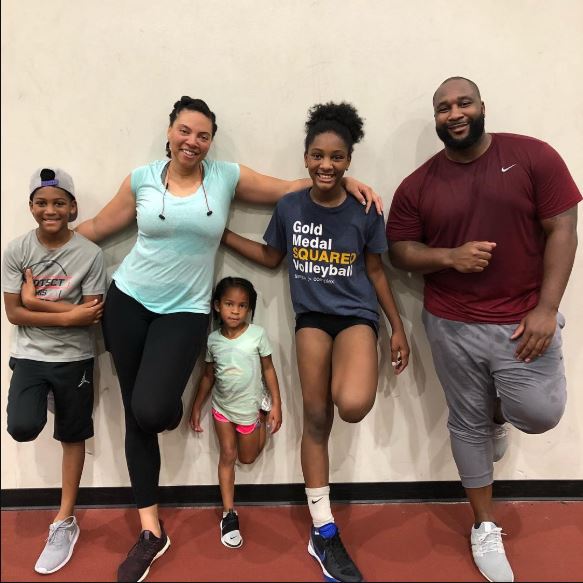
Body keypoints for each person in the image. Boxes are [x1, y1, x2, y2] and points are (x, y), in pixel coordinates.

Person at [75, 96, 380, 583]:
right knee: (136, 417)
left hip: (185, 312)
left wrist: (346, 180)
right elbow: (97, 228)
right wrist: (50, 241)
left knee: (153, 411)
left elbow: (288, 187)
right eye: (184, 131)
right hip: (127, 302)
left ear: (210, 141)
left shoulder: (225, 177)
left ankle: (159, 416)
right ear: (170, 131)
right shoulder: (142, 179)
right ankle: (151, 532)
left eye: (203, 135)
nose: (192, 141)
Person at [387, 77, 581, 583]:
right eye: (443, 107)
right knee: (466, 424)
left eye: (463, 103)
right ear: (436, 119)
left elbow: (564, 227)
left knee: (540, 414)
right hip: (450, 323)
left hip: (523, 322)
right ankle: (484, 524)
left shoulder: (534, 157)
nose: (454, 113)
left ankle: (499, 412)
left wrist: (547, 307)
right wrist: (449, 257)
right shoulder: (418, 184)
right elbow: (401, 252)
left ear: (481, 107)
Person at [222, 101, 410, 583]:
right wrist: (221, 235)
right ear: (305, 158)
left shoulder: (364, 208)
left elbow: (375, 270)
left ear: (349, 160)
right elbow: (270, 256)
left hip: (355, 317)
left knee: (351, 404)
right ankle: (323, 530)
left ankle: (323, 521)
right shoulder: (290, 206)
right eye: (317, 155)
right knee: (317, 418)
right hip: (310, 320)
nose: (326, 164)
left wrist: (397, 326)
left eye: (337, 157)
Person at [2, 168, 106, 575]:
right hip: (30, 354)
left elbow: (92, 315)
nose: (51, 210)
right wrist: (67, 314)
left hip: (74, 360)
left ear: (72, 207)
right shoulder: (16, 250)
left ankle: (65, 520)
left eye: (59, 202)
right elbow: (14, 314)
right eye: (42, 202)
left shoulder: (90, 254)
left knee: (72, 434)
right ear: (31, 207)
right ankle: (44, 397)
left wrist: (36, 302)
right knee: (22, 427)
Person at [189, 276, 282, 549]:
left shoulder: (258, 335)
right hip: (222, 409)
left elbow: (268, 369)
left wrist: (275, 404)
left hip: (250, 412)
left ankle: (261, 421)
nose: (235, 310)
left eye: (242, 306)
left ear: (249, 310)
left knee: (248, 458)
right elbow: (208, 376)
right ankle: (229, 513)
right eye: (229, 304)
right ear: (217, 306)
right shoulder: (213, 340)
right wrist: (196, 405)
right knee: (228, 456)